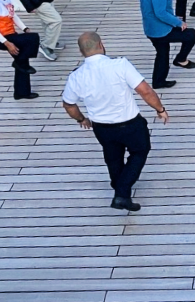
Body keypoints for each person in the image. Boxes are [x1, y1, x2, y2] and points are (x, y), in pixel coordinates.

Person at [62, 31, 169, 212]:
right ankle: (121, 193)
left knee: (113, 158)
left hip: (102, 128)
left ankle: (118, 185)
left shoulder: (76, 76)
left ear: (81, 52)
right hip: (131, 123)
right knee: (140, 151)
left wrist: (81, 119)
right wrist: (160, 109)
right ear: (101, 44)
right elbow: (145, 91)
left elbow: (68, 104)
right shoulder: (120, 65)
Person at [139, 0, 195, 90]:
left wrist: (172, 17)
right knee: (191, 35)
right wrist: (179, 22)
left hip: (150, 29)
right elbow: (160, 13)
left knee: (162, 53)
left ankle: (158, 81)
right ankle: (180, 59)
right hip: (161, 30)